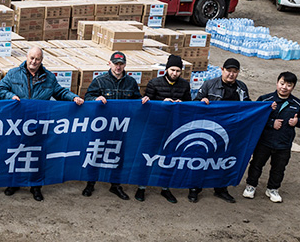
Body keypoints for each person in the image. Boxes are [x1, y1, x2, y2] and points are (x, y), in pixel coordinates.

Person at [0, 46, 84, 201]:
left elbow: (60, 92)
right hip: (18, 124)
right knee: (16, 153)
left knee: (37, 155)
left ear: (41, 60)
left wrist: (73, 98)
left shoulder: (48, 77)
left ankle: (36, 186)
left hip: (40, 124)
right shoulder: (13, 73)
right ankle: (14, 183)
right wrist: (11, 96)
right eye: (32, 58)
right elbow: (0, 89)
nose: (34, 62)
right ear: (26, 57)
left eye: (37, 59)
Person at [82, 52, 149, 200]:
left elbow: (136, 100)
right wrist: (96, 98)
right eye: (115, 64)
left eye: (121, 64)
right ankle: (91, 183)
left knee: (118, 154)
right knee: (96, 153)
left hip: (121, 126)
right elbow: (88, 98)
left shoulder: (131, 82)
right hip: (102, 125)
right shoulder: (99, 81)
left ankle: (115, 184)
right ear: (109, 63)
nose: (118, 67)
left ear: (125, 65)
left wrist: (143, 100)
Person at [192, 58, 251, 203]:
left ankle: (221, 189)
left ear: (238, 73)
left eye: (234, 71)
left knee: (225, 160)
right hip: (210, 129)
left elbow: (249, 106)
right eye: (228, 71)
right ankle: (195, 188)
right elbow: (194, 104)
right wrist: (202, 102)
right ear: (222, 70)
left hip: (232, 130)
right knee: (203, 159)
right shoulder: (209, 84)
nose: (231, 74)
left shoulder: (242, 87)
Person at [138, 54, 192, 203]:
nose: (175, 73)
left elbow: (190, 104)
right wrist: (162, 102)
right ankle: (141, 186)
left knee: (169, 158)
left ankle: (165, 188)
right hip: (155, 126)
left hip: (174, 127)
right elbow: (146, 104)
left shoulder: (184, 85)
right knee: (148, 156)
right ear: (167, 69)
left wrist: (182, 104)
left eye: (178, 71)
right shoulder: (154, 83)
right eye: (172, 70)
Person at [242, 72, 299, 203]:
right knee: (256, 164)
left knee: (279, 168)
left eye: (289, 85)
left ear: (293, 87)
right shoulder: (265, 100)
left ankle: (273, 189)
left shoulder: (297, 104)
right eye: (282, 83)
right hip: (264, 141)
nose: (284, 87)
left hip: (284, 144)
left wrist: (297, 122)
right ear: (277, 83)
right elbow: (254, 117)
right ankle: (251, 186)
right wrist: (271, 122)